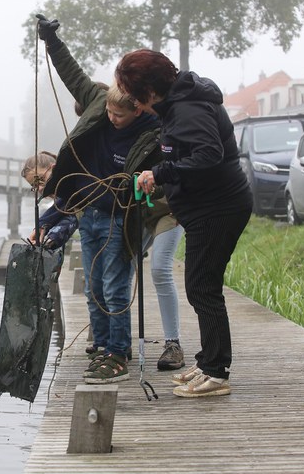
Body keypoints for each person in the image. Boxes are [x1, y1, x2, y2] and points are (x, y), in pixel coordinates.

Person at [36, 14, 183, 384]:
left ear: (138, 109)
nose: (113, 118)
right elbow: (72, 73)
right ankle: (102, 346)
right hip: (90, 214)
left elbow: (170, 175)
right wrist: (51, 41)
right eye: (109, 112)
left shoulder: (154, 131)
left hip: (122, 216)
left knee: (116, 288)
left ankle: (118, 354)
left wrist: (148, 184)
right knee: (93, 287)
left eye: (120, 115)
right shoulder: (98, 103)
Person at [115, 49, 253, 397]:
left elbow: (208, 154)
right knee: (200, 285)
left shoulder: (187, 107)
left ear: (148, 89)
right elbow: (184, 152)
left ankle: (216, 372)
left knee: (202, 287)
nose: (136, 103)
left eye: (134, 95)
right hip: (208, 207)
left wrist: (161, 172)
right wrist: (158, 171)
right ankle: (208, 361)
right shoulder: (179, 103)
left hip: (218, 207)